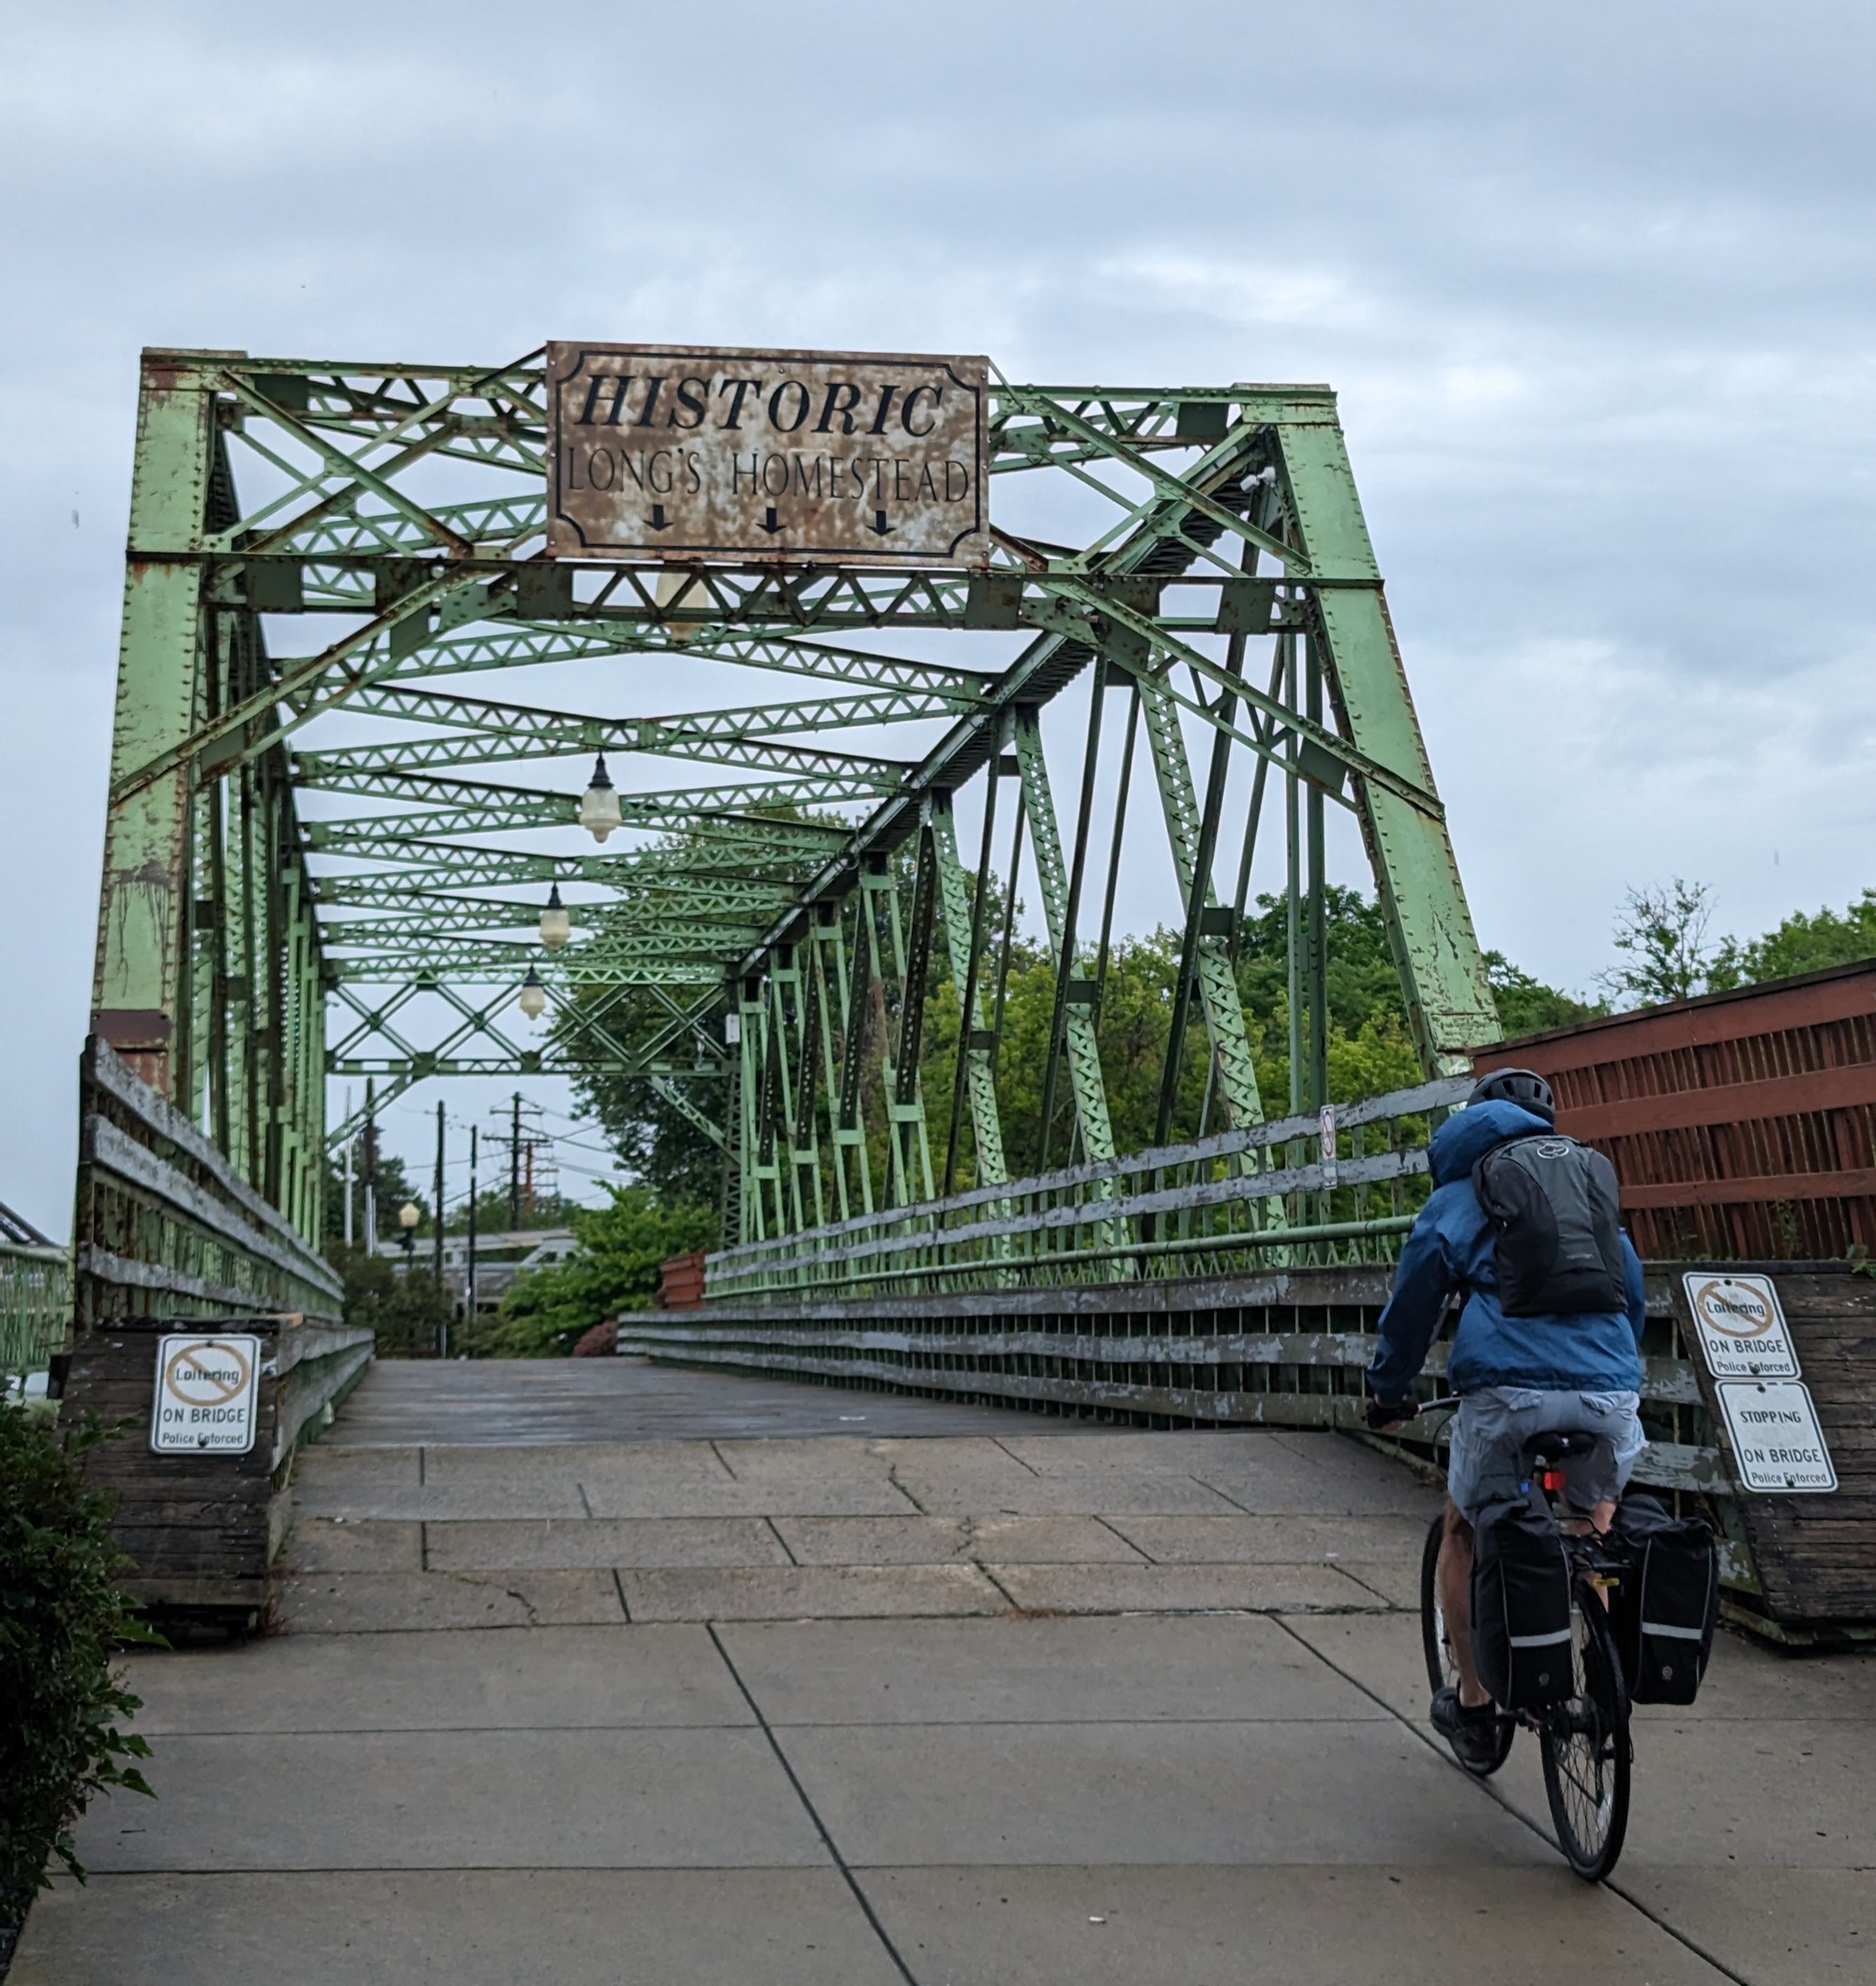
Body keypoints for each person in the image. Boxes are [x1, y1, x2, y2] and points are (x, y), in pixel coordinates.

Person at [1366, 1068, 1647, 1768]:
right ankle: (1600, 1677)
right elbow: (1631, 1293)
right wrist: (1609, 1370)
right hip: (1609, 1394)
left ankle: (1474, 1702)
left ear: (1472, 1122)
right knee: (1592, 1518)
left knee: (1463, 1527)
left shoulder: (1461, 1195)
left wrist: (1387, 1390)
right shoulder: (1585, 1189)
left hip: (1506, 1394)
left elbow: (1414, 1306)